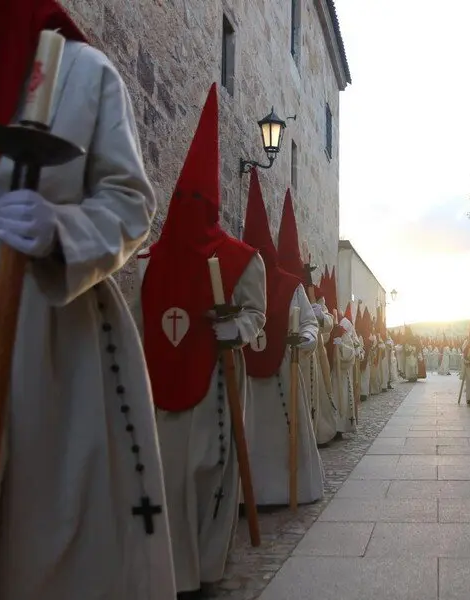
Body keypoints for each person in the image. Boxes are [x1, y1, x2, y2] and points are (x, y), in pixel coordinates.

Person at [0, 3, 177, 598]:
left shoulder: (81, 71)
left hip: (35, 333)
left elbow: (129, 203)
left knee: (39, 534)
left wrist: (63, 231)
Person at [137, 84, 266, 596]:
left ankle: (205, 570)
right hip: (159, 390)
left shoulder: (240, 259)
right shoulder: (150, 260)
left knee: (208, 471)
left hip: (214, 383)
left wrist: (235, 327)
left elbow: (256, 313)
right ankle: (168, 568)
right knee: (164, 478)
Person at [240, 170, 323, 506]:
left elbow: (309, 323)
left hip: (283, 372)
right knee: (249, 431)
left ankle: (290, 487)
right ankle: (246, 494)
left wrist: (306, 337)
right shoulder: (234, 283)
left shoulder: (290, 286)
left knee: (279, 431)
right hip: (244, 377)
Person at [276, 189, 337, 446]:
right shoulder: (278, 286)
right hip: (283, 360)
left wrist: (317, 318)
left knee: (312, 400)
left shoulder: (310, 292)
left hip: (310, 356)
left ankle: (317, 432)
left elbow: (324, 325)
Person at [332, 316, 358, 433]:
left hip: (341, 374)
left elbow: (351, 352)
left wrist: (341, 345)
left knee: (341, 398)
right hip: (330, 373)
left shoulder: (345, 335)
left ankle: (340, 427)